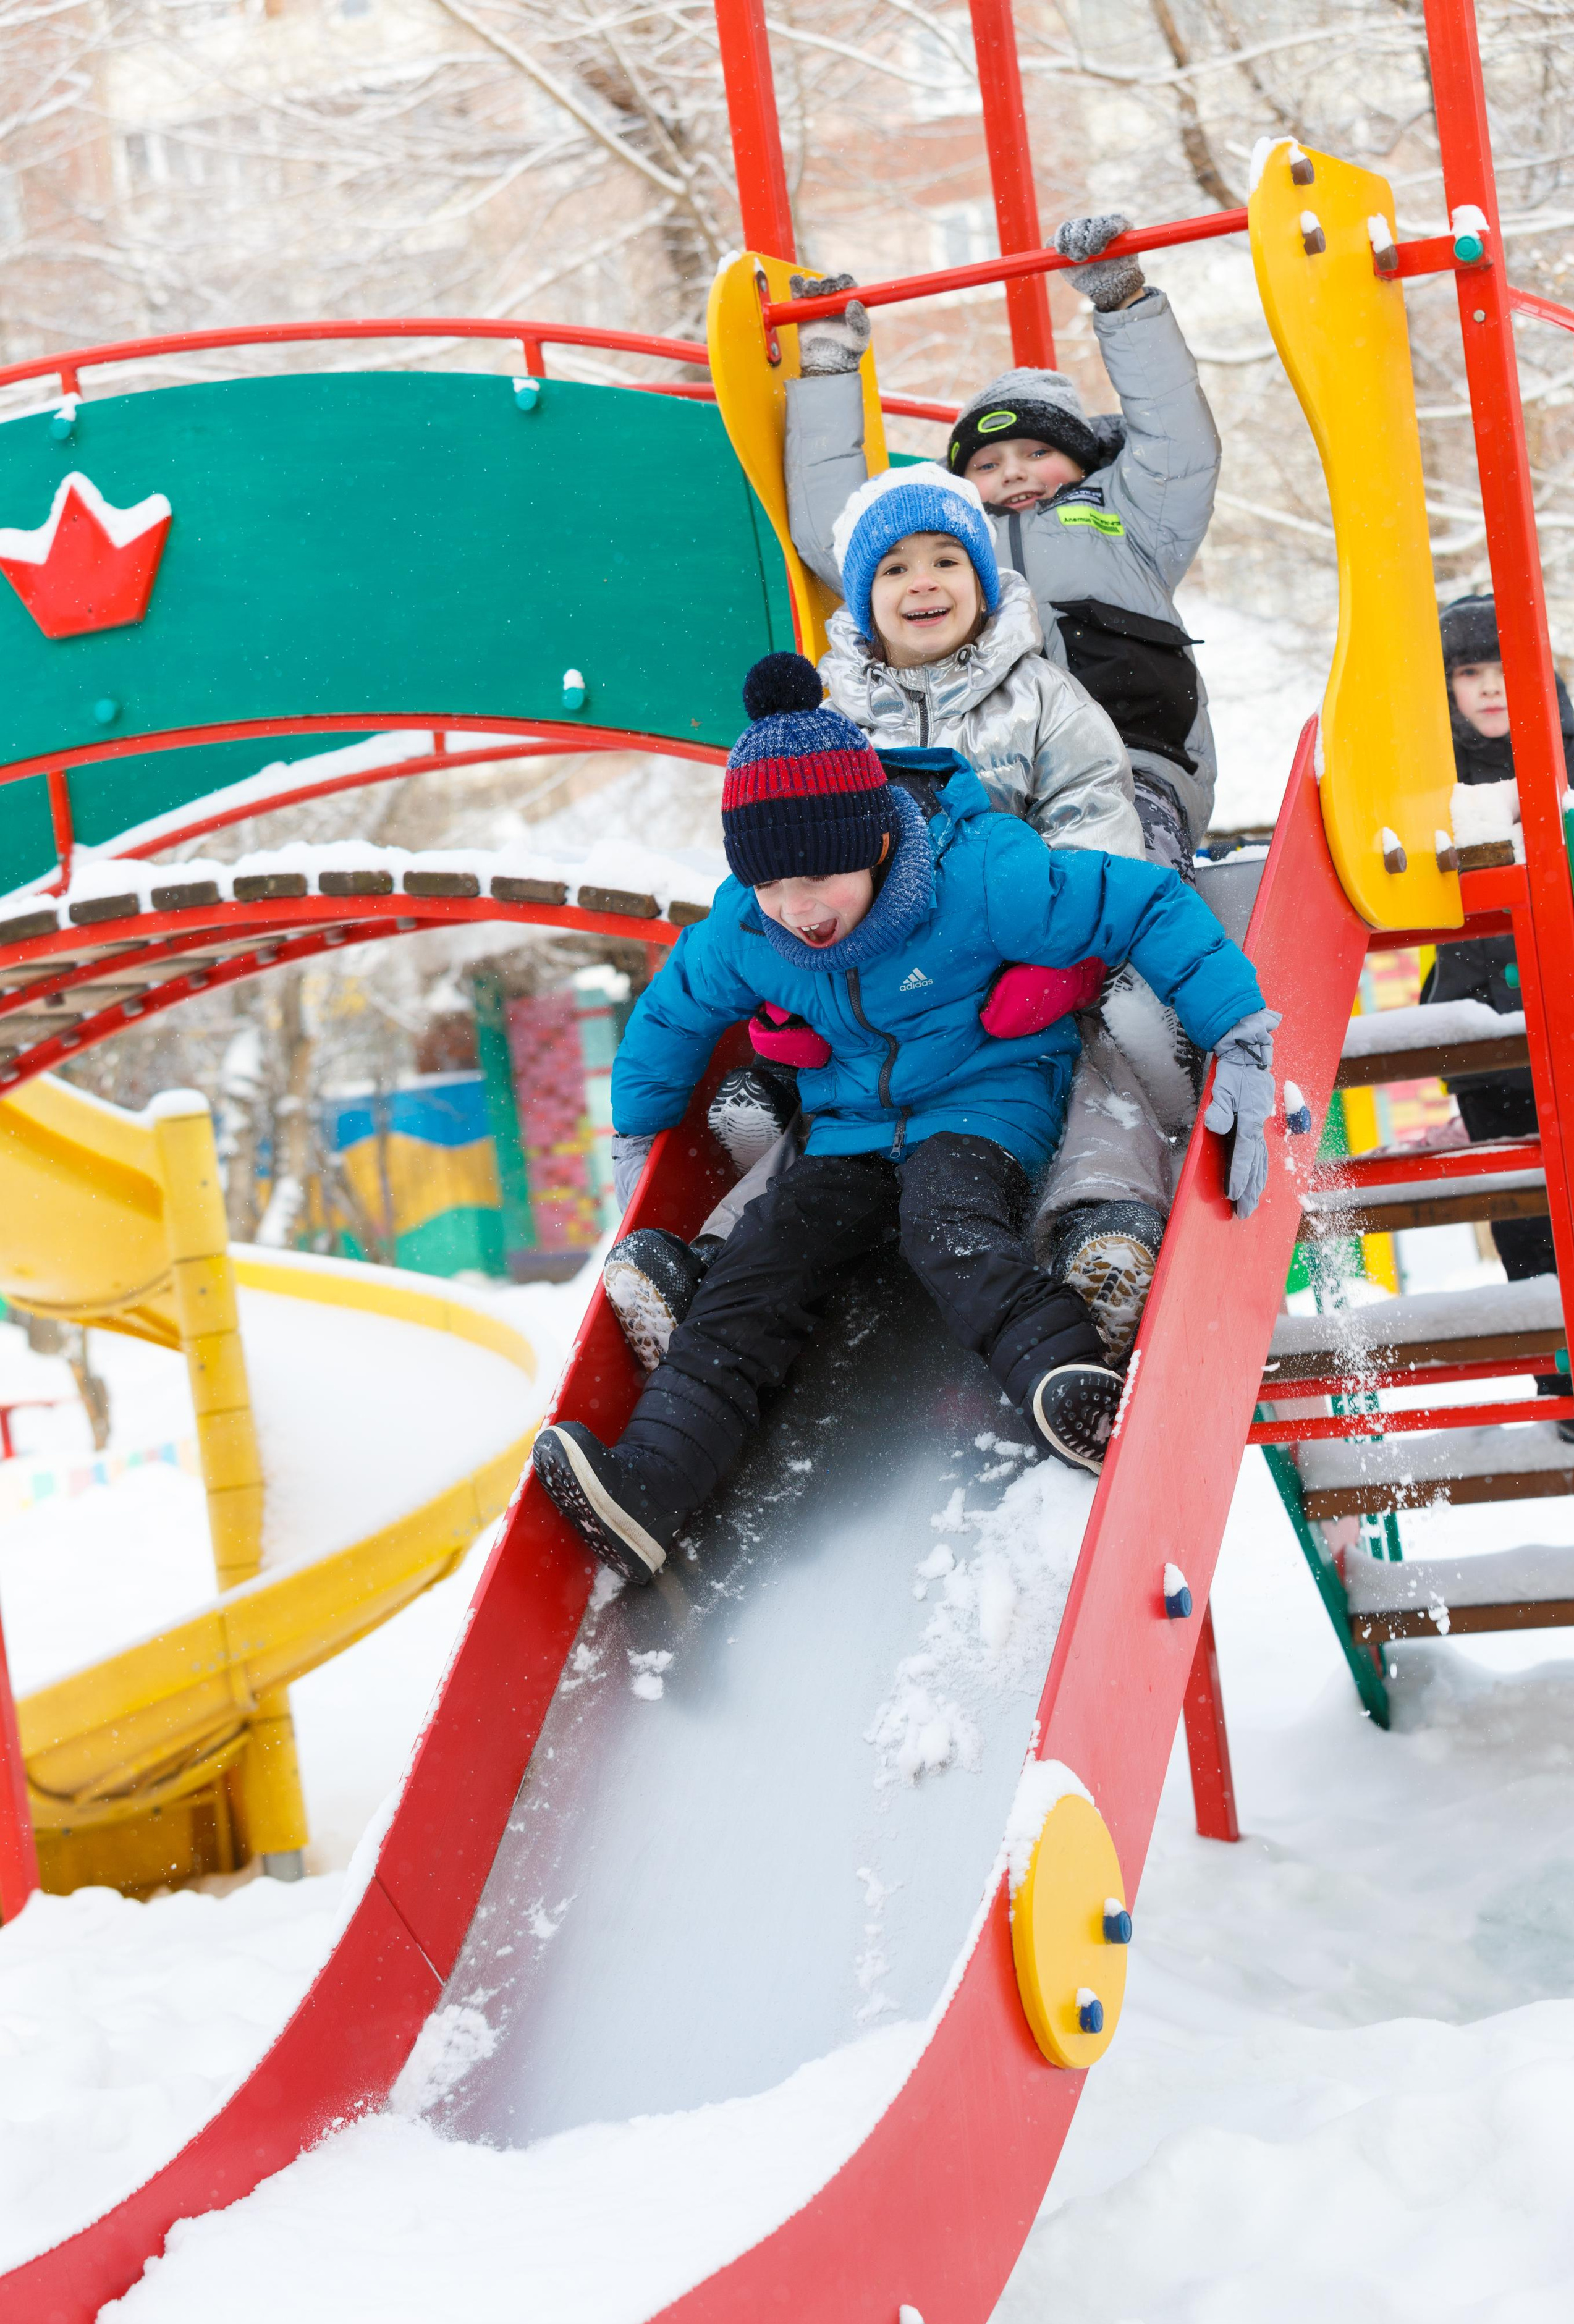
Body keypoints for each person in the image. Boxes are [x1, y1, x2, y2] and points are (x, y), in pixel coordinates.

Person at [535, 654, 1277, 1586]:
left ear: (878, 840)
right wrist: (637, 1138)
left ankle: (1074, 1388)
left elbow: (1145, 903)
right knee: (762, 1262)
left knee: (946, 1225)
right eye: (770, 886)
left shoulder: (983, 876)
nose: (797, 909)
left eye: (818, 877)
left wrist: (1236, 1032)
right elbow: (672, 1013)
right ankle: (652, 1486)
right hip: (849, 1127)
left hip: (983, 1099)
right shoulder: (749, 930)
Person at [778, 213, 1222, 1350]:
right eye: (985, 464)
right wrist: (828, 363)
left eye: (1037, 454)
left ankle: (1149, 1024)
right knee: (894, 942)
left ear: (1087, 460)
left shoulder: (1127, 525)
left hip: (1126, 769)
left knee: (1114, 909)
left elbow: (1177, 442)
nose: (1012, 474)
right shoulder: (938, 562)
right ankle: (810, 1109)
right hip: (974, 807)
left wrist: (1122, 300)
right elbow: (834, 514)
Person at [603, 465, 1141, 1367]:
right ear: (863, 598)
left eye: (945, 561)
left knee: (1097, 1067)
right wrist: (787, 982)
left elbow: (1096, 821)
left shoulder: (1044, 696)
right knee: (834, 1116)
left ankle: (1100, 1230)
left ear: (983, 581)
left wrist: (1071, 960)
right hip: (879, 984)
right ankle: (712, 1267)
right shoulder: (831, 718)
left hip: (1026, 965)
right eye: (894, 569)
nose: (922, 583)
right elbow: (779, 855)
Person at [1421, 593, 1574, 1441]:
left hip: (1568, 1010)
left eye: (1504, 670)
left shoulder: (1573, 766)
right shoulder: (1429, 783)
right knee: (1524, 1211)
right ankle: (1559, 1374)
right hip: (1484, 1021)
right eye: (1468, 673)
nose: (1488, 688)